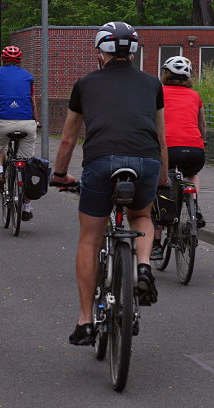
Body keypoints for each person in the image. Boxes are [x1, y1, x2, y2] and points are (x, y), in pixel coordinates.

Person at [51, 22, 167, 346]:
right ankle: (143, 267)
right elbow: (161, 137)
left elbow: (68, 138)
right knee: (141, 216)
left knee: (90, 237)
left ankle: (85, 321)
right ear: (133, 51)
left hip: (101, 161)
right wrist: (160, 177)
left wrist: (60, 174)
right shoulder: (152, 84)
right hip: (145, 160)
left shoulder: (85, 84)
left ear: (100, 52)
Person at [151, 56, 207, 259]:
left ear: (165, 74)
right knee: (192, 175)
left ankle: (156, 242)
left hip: (168, 149)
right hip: (195, 150)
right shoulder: (195, 95)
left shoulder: (157, 93)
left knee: (158, 187)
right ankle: (193, 204)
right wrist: (203, 141)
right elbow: (202, 126)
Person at [0, 45, 39, 220]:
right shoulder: (28, 76)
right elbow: (32, 101)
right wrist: (37, 120)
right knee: (27, 164)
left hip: (4, 121)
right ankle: (27, 207)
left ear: (3, 59)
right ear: (20, 60)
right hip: (27, 123)